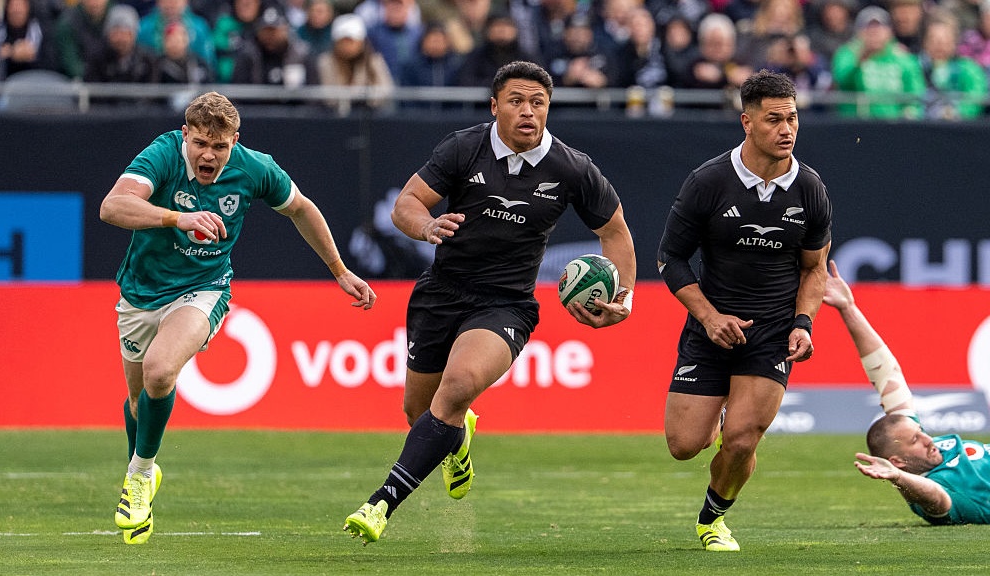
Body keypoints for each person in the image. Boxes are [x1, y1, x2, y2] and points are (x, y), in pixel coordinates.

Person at [342, 60, 636, 545]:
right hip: (441, 294)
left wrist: (622, 296)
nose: (528, 112)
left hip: (506, 304)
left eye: (538, 103)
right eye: (517, 101)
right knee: (421, 411)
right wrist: (426, 226)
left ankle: (380, 505)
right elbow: (406, 204)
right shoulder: (464, 147)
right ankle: (458, 439)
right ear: (495, 105)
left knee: (456, 387)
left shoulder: (570, 167)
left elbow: (615, 232)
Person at [101, 91, 376, 545]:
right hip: (140, 292)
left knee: (160, 370)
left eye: (220, 146)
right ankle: (143, 474)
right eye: (201, 144)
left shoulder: (254, 167)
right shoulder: (162, 154)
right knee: (137, 404)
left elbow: (301, 208)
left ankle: (139, 476)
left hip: (203, 289)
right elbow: (112, 207)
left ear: (235, 141)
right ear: (186, 135)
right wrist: (177, 218)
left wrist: (339, 270)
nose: (209, 155)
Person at [657, 69, 832, 552]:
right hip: (710, 329)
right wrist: (710, 317)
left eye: (792, 118)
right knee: (683, 446)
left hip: (772, 333)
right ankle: (719, 424)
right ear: (747, 123)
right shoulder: (709, 181)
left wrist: (803, 324)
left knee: (740, 440)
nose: (787, 129)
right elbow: (669, 259)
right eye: (774, 119)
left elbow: (815, 269)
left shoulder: (810, 188)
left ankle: (712, 520)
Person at [824, 259, 990, 525]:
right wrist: (898, 479)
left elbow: (888, 375)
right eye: (915, 440)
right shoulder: (936, 492)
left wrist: (848, 308)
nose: (926, 438)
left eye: (919, 432)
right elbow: (936, 498)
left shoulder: (926, 449)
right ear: (897, 461)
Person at [830, 5, 925, 119]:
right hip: (855, 123)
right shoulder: (847, 54)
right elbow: (841, 82)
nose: (874, 32)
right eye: (869, 27)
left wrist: (910, 114)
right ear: (858, 31)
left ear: (890, 31)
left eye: (879, 27)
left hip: (896, 126)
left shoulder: (902, 57)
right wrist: (860, 60)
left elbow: (916, 92)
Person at [918, 15, 988, 120]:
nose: (939, 45)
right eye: (933, 39)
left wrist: (957, 113)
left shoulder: (969, 69)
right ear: (924, 42)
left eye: (945, 39)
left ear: (955, 42)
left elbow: (975, 99)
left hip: (959, 129)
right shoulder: (915, 66)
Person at [85, 3, 156, 84]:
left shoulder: (147, 60)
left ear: (134, 35)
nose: (121, 39)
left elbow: (151, 91)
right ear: (108, 34)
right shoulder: (96, 59)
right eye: (116, 33)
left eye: (125, 33)